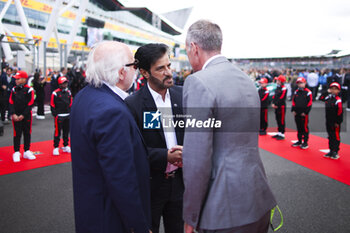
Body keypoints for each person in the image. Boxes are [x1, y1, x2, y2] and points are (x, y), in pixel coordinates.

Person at [182, 20, 276, 233]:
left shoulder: (198, 82)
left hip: (222, 207)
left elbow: (197, 160)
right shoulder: (245, 80)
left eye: (187, 50)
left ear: (194, 48)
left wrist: (190, 217)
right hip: (258, 196)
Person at [70, 41, 151, 233]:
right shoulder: (112, 111)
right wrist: (139, 226)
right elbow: (122, 179)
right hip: (112, 219)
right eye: (134, 65)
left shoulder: (84, 96)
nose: (136, 70)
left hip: (92, 211)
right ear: (122, 72)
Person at [125, 43, 184, 233]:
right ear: (144, 72)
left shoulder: (182, 96)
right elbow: (133, 152)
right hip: (150, 186)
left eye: (169, 65)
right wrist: (165, 156)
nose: (168, 72)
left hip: (181, 185)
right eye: (160, 68)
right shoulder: (133, 105)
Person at [9, 70, 36, 162]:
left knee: (27, 132)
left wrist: (23, 115)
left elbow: (30, 103)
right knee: (17, 133)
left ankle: (26, 150)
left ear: (24, 79)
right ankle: (16, 152)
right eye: (15, 79)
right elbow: (11, 102)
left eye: (18, 79)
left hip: (26, 116)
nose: (16, 80)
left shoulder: (29, 89)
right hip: (16, 116)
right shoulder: (13, 89)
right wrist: (13, 114)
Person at [320, 82, 343, 159]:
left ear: (338, 91)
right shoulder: (328, 98)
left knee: (335, 136)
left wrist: (338, 122)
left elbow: (340, 112)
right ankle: (331, 150)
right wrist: (327, 92)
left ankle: (335, 151)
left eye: (335, 89)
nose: (333, 90)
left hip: (335, 122)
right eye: (332, 89)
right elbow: (321, 97)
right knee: (330, 136)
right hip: (328, 120)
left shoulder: (338, 100)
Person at [51, 76, 72, 156]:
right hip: (59, 115)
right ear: (60, 84)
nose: (65, 84)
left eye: (66, 83)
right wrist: (55, 115)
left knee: (66, 131)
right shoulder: (55, 93)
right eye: (63, 83)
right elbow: (52, 105)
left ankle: (66, 145)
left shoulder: (68, 92)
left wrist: (70, 112)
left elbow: (70, 102)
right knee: (57, 132)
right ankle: (56, 147)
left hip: (67, 115)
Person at [291, 77, 312, 149]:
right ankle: (299, 140)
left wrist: (306, 112)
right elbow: (293, 101)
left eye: (301, 83)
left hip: (304, 113)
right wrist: (293, 110)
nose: (300, 85)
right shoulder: (296, 91)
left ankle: (305, 142)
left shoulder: (308, 92)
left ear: (305, 83)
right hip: (297, 112)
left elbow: (309, 103)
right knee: (298, 127)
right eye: (299, 83)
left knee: (304, 127)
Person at [272, 75, 287, 140]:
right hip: (276, 106)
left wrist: (276, 104)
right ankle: (279, 132)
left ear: (281, 81)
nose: (277, 81)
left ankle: (282, 133)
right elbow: (274, 96)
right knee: (277, 119)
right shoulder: (277, 87)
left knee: (281, 120)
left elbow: (282, 98)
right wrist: (273, 103)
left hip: (281, 106)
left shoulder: (284, 88)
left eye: (278, 80)